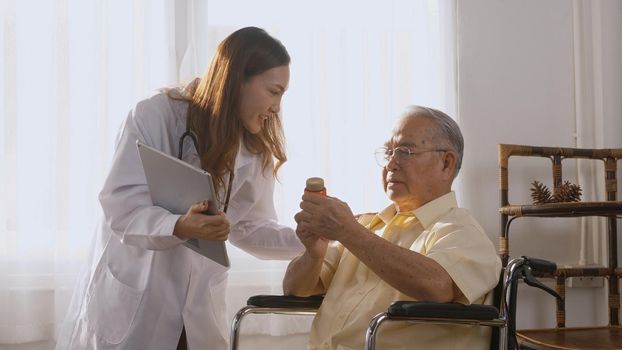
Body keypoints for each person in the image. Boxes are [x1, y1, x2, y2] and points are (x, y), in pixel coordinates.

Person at [56, 27, 303, 350]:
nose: (277, 107)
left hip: (196, 314)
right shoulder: (156, 116)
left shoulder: (252, 148)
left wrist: (306, 239)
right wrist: (179, 225)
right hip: (138, 305)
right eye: (274, 91)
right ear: (236, 79)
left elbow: (247, 227)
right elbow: (121, 207)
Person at [283, 106, 502, 350]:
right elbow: (294, 288)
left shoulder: (460, 230)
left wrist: (348, 232)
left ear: (446, 164)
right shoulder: (366, 225)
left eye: (405, 151)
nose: (391, 164)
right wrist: (313, 253)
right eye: (389, 152)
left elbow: (437, 286)